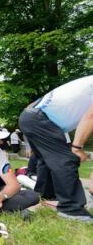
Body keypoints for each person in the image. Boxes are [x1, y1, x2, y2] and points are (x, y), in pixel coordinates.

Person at [19, 75, 93, 223]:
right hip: (40, 119)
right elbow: (91, 116)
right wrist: (77, 147)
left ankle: (46, 197)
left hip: (30, 116)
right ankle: (71, 209)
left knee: (47, 160)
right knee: (65, 160)